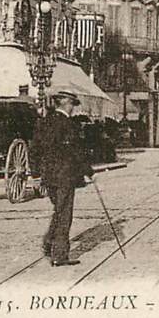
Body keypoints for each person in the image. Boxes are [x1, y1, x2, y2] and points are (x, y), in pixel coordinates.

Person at [32, 90, 94, 267]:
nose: (73, 109)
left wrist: (36, 174)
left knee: (59, 210)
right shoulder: (68, 125)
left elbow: (34, 148)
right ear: (66, 103)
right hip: (65, 176)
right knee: (64, 213)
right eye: (72, 105)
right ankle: (59, 255)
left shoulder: (44, 122)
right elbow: (75, 153)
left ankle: (48, 242)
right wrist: (89, 172)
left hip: (49, 176)